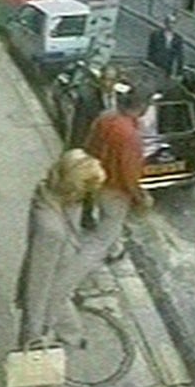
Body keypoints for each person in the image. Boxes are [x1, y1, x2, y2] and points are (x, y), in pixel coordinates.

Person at [15, 149, 107, 387]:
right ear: (76, 188)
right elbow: (39, 279)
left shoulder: (52, 196)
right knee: (40, 336)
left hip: (57, 284)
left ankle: (34, 380)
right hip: (48, 291)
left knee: (53, 334)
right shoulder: (51, 230)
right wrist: (37, 322)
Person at [82, 87, 151, 265]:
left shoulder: (106, 117)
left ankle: (116, 250)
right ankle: (70, 274)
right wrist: (139, 196)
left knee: (111, 223)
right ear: (142, 107)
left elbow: (89, 144)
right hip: (115, 190)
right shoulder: (130, 136)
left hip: (97, 179)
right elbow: (129, 174)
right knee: (102, 237)